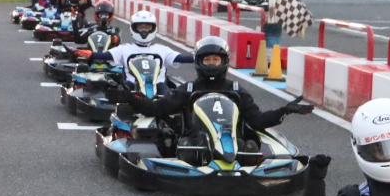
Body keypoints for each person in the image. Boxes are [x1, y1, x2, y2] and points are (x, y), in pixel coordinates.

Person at [116, 33, 311, 130]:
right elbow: (157, 109)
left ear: (223, 62)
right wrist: (130, 98)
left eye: (215, 60)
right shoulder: (189, 89)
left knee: (254, 139)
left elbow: (256, 120)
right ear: (199, 62)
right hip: (194, 144)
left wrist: (283, 111)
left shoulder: (236, 90)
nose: (210, 64)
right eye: (206, 60)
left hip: (232, 140)